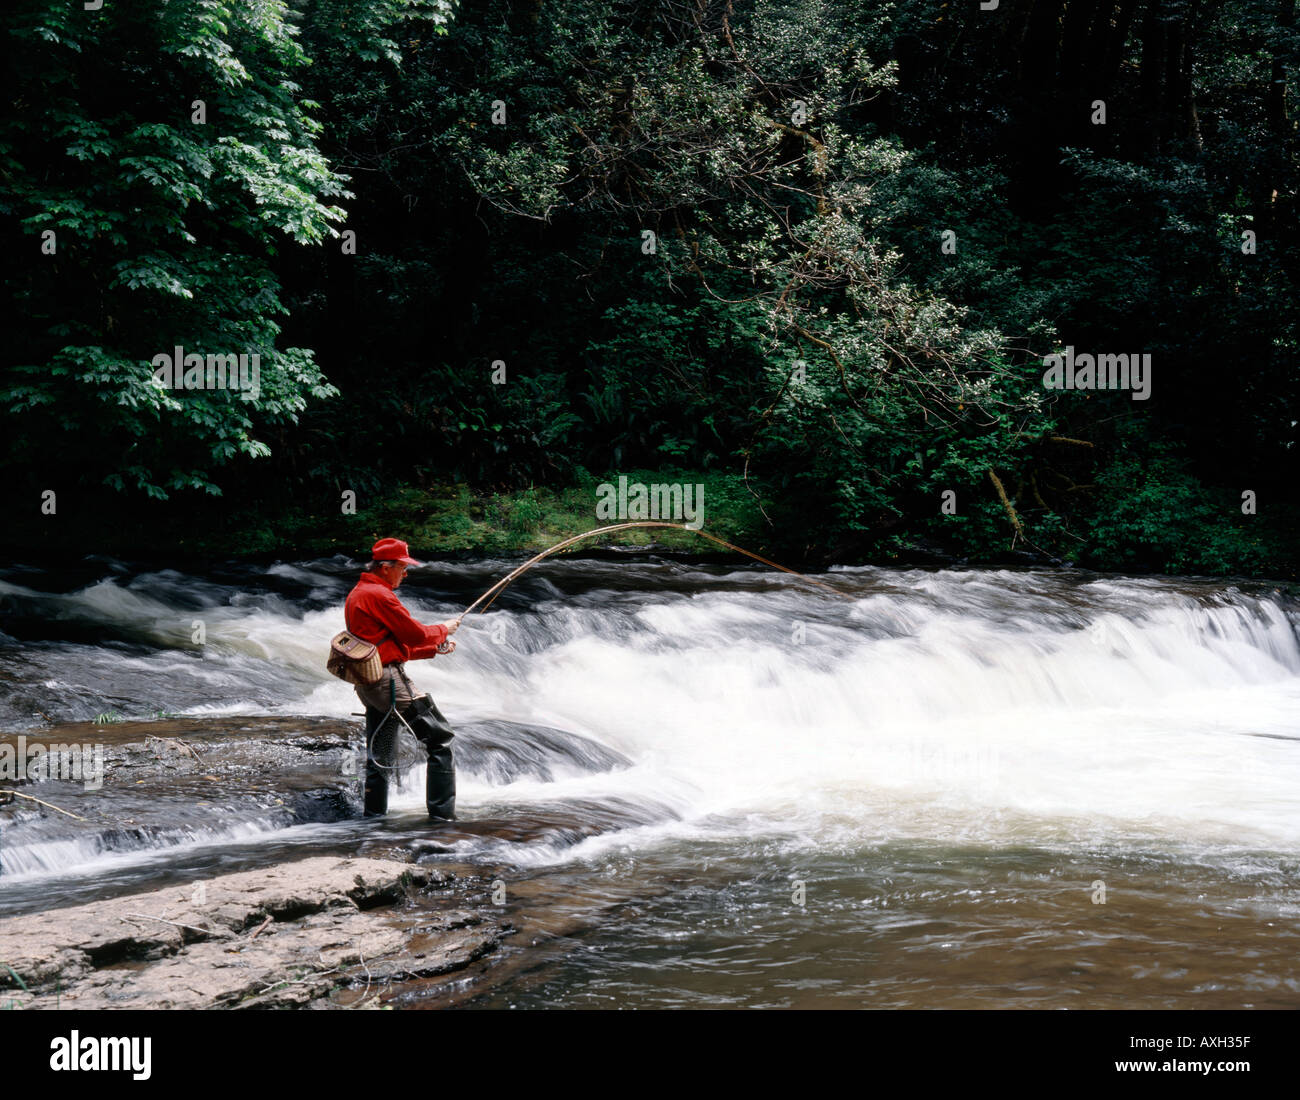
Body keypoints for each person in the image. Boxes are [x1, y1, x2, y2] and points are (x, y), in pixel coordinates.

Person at [345, 537, 461, 819]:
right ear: (385, 567)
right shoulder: (379, 595)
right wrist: (443, 629)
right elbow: (414, 634)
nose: (405, 573)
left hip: (369, 682)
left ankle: (374, 819)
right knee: (440, 739)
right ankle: (442, 819)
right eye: (402, 567)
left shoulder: (360, 593)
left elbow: (389, 646)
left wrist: (434, 648)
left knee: (380, 753)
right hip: (389, 684)